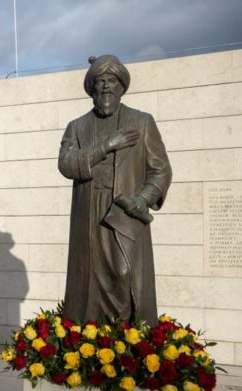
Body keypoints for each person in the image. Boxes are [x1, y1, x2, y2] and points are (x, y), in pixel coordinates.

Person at [58, 55, 172, 325]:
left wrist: (143, 199)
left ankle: (128, 345)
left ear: (122, 87)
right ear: (92, 89)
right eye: (100, 81)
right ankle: (87, 341)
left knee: (124, 277)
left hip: (126, 215)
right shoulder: (77, 127)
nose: (106, 86)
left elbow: (161, 170)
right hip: (89, 217)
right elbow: (66, 165)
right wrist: (105, 145)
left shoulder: (142, 122)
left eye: (112, 81)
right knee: (88, 284)